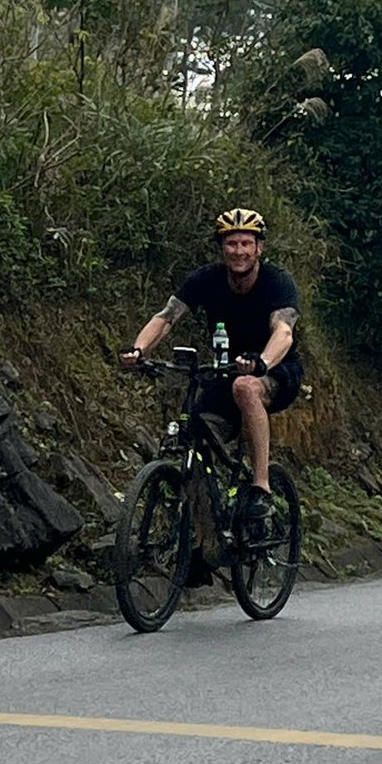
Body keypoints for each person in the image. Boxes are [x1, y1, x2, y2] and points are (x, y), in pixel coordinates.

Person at [121, 206, 303, 545]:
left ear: (259, 248)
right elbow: (166, 317)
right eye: (231, 244)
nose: (238, 251)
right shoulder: (206, 279)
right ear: (222, 248)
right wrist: (139, 349)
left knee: (246, 388)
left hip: (276, 371)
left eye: (246, 243)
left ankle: (261, 488)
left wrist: (262, 361)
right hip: (223, 372)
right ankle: (203, 546)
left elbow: (284, 332)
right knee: (195, 436)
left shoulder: (277, 283)